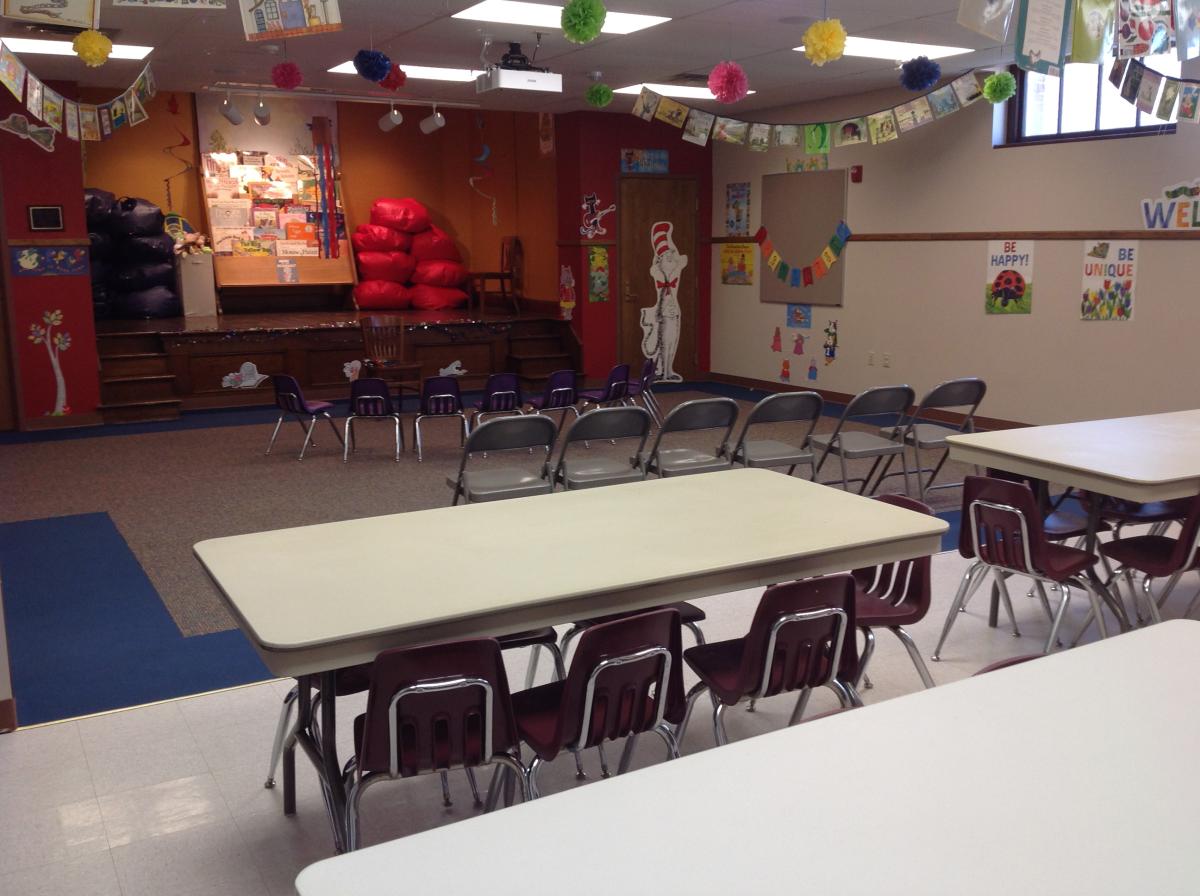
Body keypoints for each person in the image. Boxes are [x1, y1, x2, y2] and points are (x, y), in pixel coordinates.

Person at [640, 221, 686, 382]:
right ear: (660, 260)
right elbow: (654, 269)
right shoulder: (658, 272)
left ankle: (668, 370)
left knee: (672, 340)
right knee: (665, 341)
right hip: (664, 312)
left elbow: (683, 260)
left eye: (671, 256)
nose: (671, 258)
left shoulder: (672, 272)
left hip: (672, 311)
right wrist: (660, 262)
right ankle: (663, 371)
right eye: (667, 256)